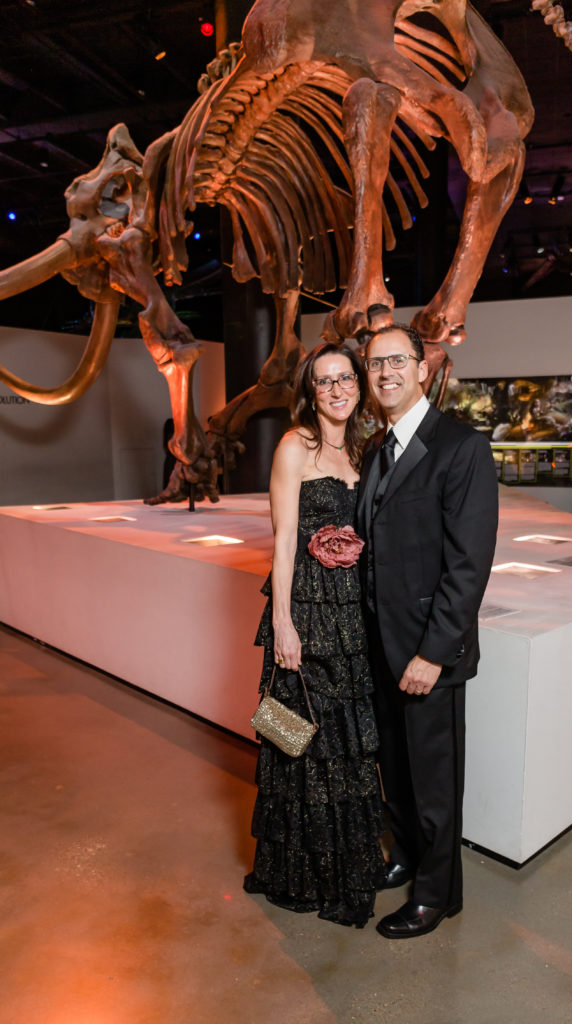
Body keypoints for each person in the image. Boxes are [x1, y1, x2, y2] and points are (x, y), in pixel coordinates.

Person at [357, 322, 498, 939]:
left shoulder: (460, 446)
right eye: (374, 365)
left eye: (396, 361)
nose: (384, 373)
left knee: (435, 784)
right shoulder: (374, 449)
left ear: (422, 367)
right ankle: (410, 859)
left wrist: (433, 654)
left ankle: (437, 897)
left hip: (426, 655)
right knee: (398, 771)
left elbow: (469, 567)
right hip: (379, 647)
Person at [244, 342, 387, 927]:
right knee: (301, 740)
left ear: (359, 383)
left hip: (352, 613)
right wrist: (283, 623)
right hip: (305, 609)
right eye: (324, 381)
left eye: (344, 378)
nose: (336, 389)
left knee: (349, 746)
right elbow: (280, 540)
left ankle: (352, 865)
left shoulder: (365, 446)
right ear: (311, 391)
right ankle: (309, 875)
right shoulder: (294, 445)